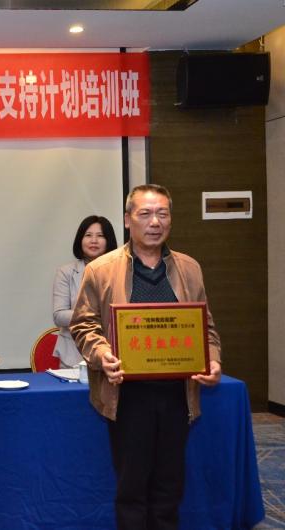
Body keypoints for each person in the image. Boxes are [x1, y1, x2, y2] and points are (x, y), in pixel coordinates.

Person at [70, 184, 222, 530]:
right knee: (132, 489)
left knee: (170, 487)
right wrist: (102, 354)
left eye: (162, 214)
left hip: (177, 394)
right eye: (145, 214)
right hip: (127, 396)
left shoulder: (189, 268)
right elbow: (83, 325)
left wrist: (212, 359)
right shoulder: (102, 269)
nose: (155, 222)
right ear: (128, 220)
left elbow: (206, 328)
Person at [52, 215, 118, 368]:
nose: (94, 240)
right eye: (88, 235)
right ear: (80, 239)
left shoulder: (120, 272)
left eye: (100, 236)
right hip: (73, 355)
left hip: (113, 353)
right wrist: (97, 315)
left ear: (108, 241)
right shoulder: (66, 272)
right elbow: (59, 315)